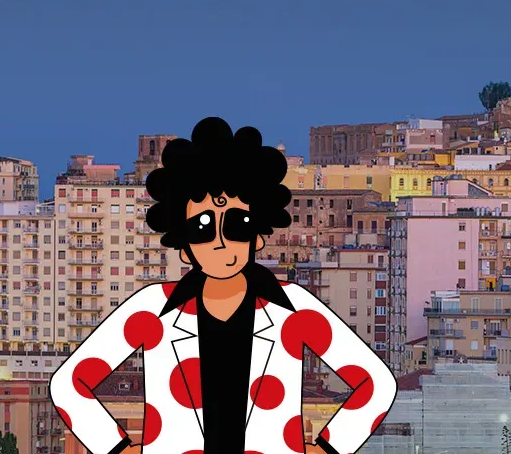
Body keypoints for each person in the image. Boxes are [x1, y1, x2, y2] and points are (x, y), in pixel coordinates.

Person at [48, 117, 395, 454]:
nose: (220, 241)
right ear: (183, 245)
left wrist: (329, 447)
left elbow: (375, 384)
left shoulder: (293, 308)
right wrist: (117, 447)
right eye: (202, 228)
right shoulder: (152, 308)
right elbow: (69, 385)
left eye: (237, 225)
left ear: (258, 236)